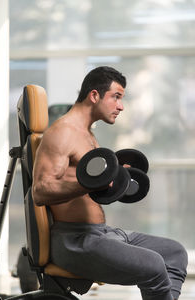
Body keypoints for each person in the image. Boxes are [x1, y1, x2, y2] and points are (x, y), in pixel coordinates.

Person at [32, 66, 188, 300]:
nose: (121, 106)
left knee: (174, 252)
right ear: (94, 96)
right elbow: (41, 191)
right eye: (116, 97)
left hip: (102, 234)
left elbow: (87, 182)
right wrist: (91, 184)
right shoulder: (63, 132)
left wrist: (114, 179)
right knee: (153, 265)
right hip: (75, 241)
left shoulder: (86, 133)